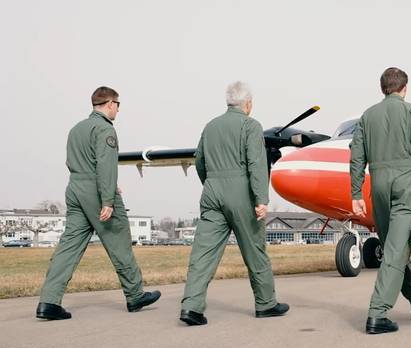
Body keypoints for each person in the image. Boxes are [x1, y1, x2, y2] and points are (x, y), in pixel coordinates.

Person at [36, 86, 161, 320]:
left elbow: (78, 162)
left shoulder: (76, 129)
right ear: (110, 104)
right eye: (118, 105)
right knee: (119, 240)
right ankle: (135, 295)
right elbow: (105, 164)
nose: (118, 110)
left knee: (69, 246)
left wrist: (106, 185)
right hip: (96, 191)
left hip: (74, 189)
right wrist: (107, 199)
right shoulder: (104, 129)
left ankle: (48, 301)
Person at [179, 81, 289, 326]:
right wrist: (261, 199)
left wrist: (211, 184)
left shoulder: (210, 126)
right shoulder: (251, 126)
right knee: (255, 252)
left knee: (203, 254)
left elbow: (199, 162)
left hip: (212, 190)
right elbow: (256, 165)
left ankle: (191, 307)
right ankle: (266, 304)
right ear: (247, 104)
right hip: (241, 193)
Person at [350, 67, 411, 334]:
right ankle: (377, 314)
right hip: (404, 187)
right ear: (404, 88)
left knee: (396, 246)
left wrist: (356, 192)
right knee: (395, 249)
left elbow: (356, 158)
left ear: (383, 88)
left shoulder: (367, 116)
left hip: (377, 187)